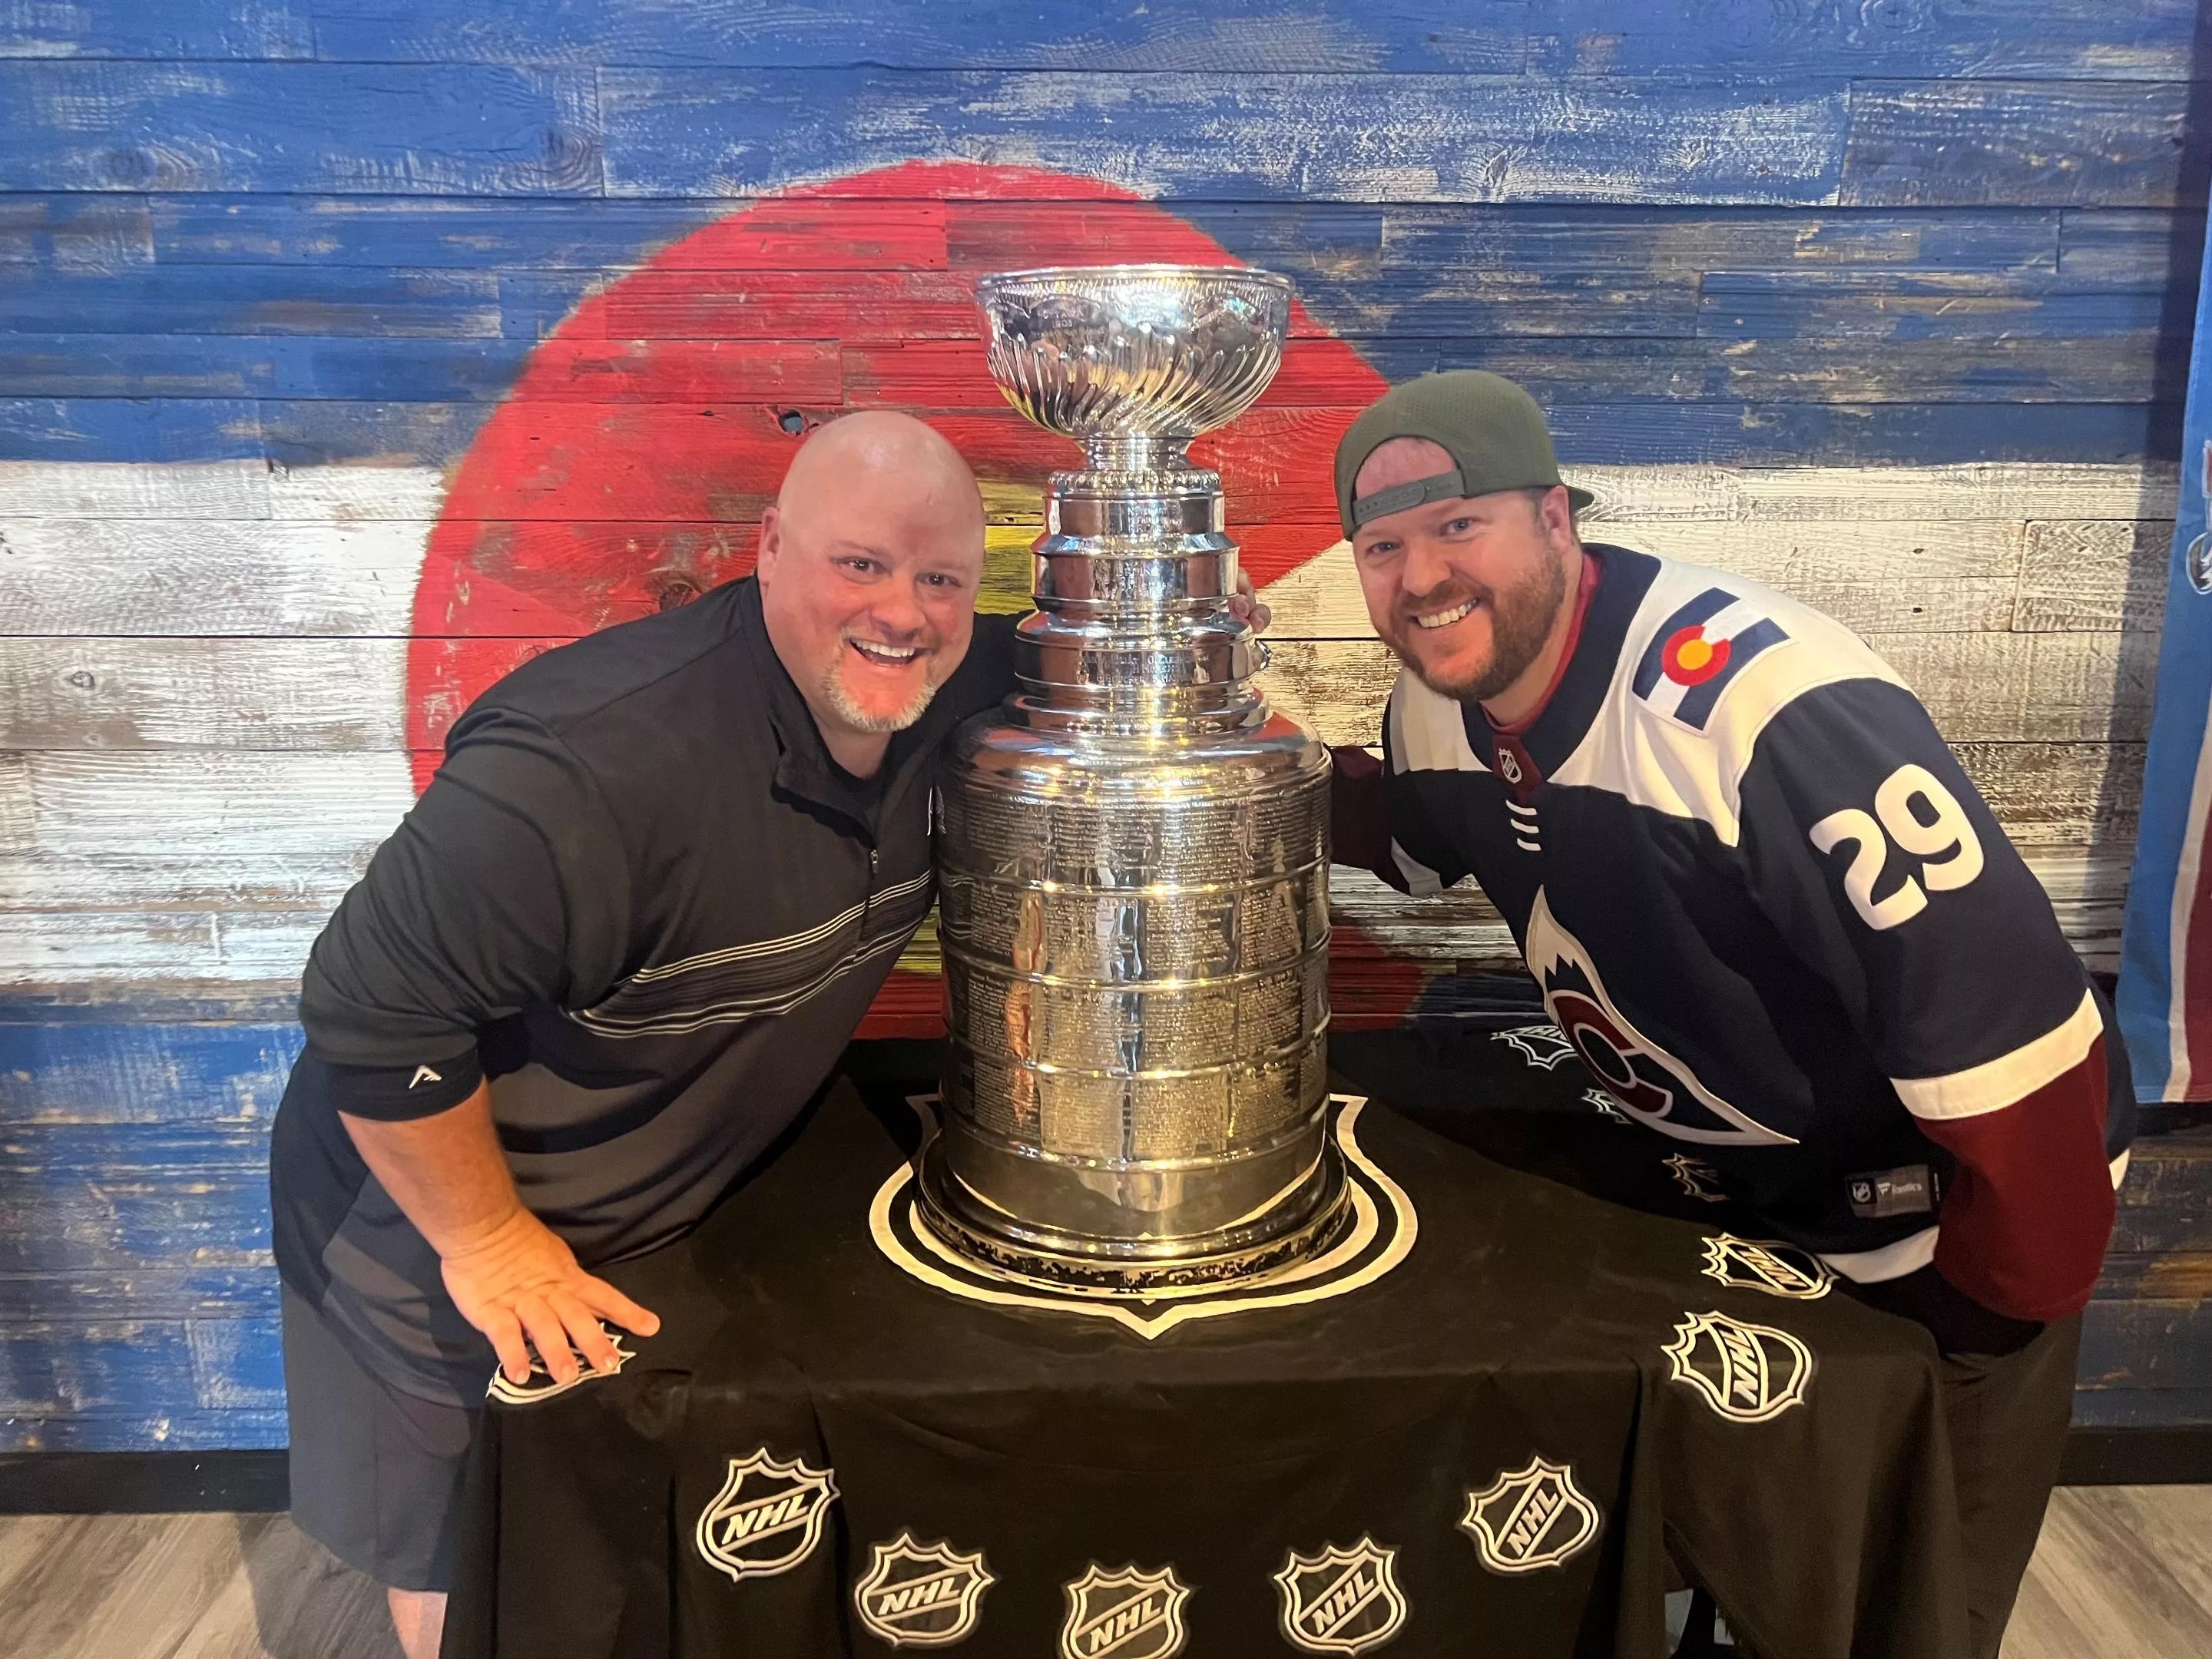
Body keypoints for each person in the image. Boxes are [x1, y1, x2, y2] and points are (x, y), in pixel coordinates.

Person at [1325, 371, 2135, 1659]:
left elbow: (2008, 1035)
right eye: (1383, 548)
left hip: (1945, 1229)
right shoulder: (1436, 704)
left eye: (1459, 526)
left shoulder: (1765, 708)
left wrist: (1993, 1309)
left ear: (1556, 518)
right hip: (1743, 1202)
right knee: (1760, 1574)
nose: (1423, 577)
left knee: (1904, 1619)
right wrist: (1232, 762)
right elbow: (1413, 837)